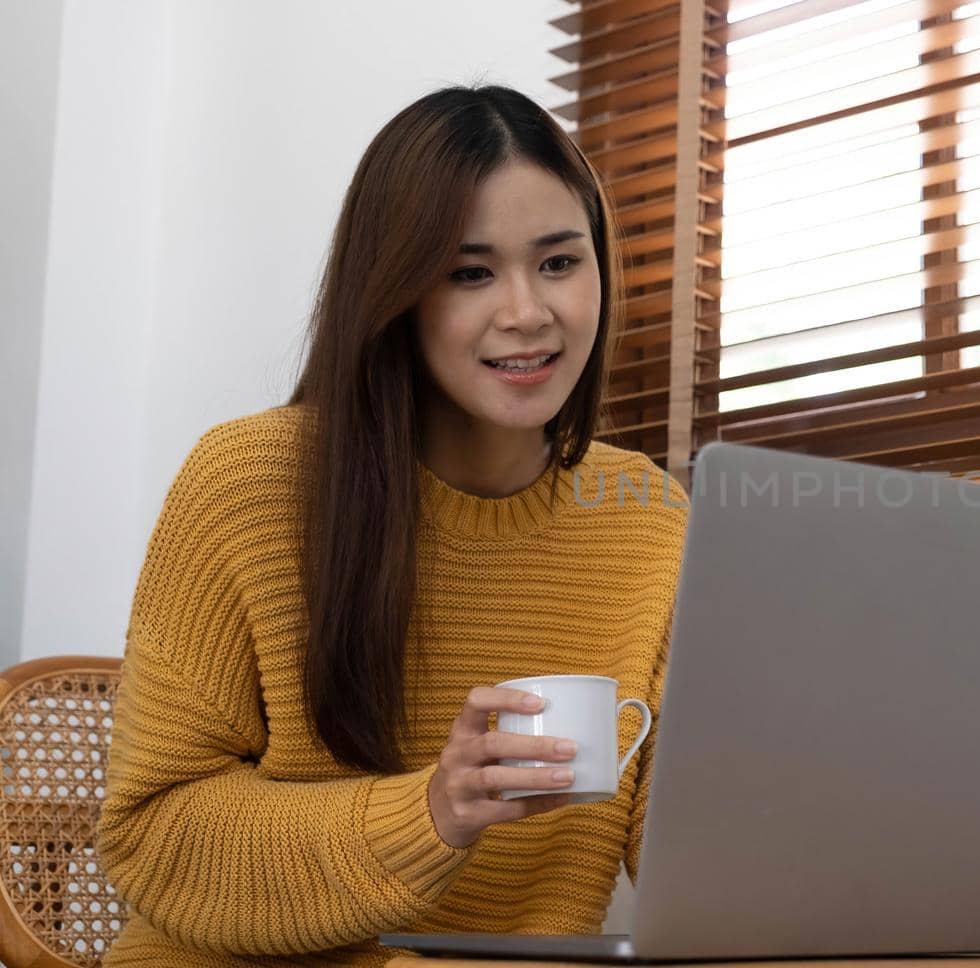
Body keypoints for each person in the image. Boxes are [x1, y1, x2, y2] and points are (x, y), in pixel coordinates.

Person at [94, 85, 688, 967]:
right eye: (470, 272)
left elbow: (688, 843)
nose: (528, 312)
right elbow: (153, 838)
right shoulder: (248, 483)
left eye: (560, 262)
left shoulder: (646, 516)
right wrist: (433, 813)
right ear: (395, 292)